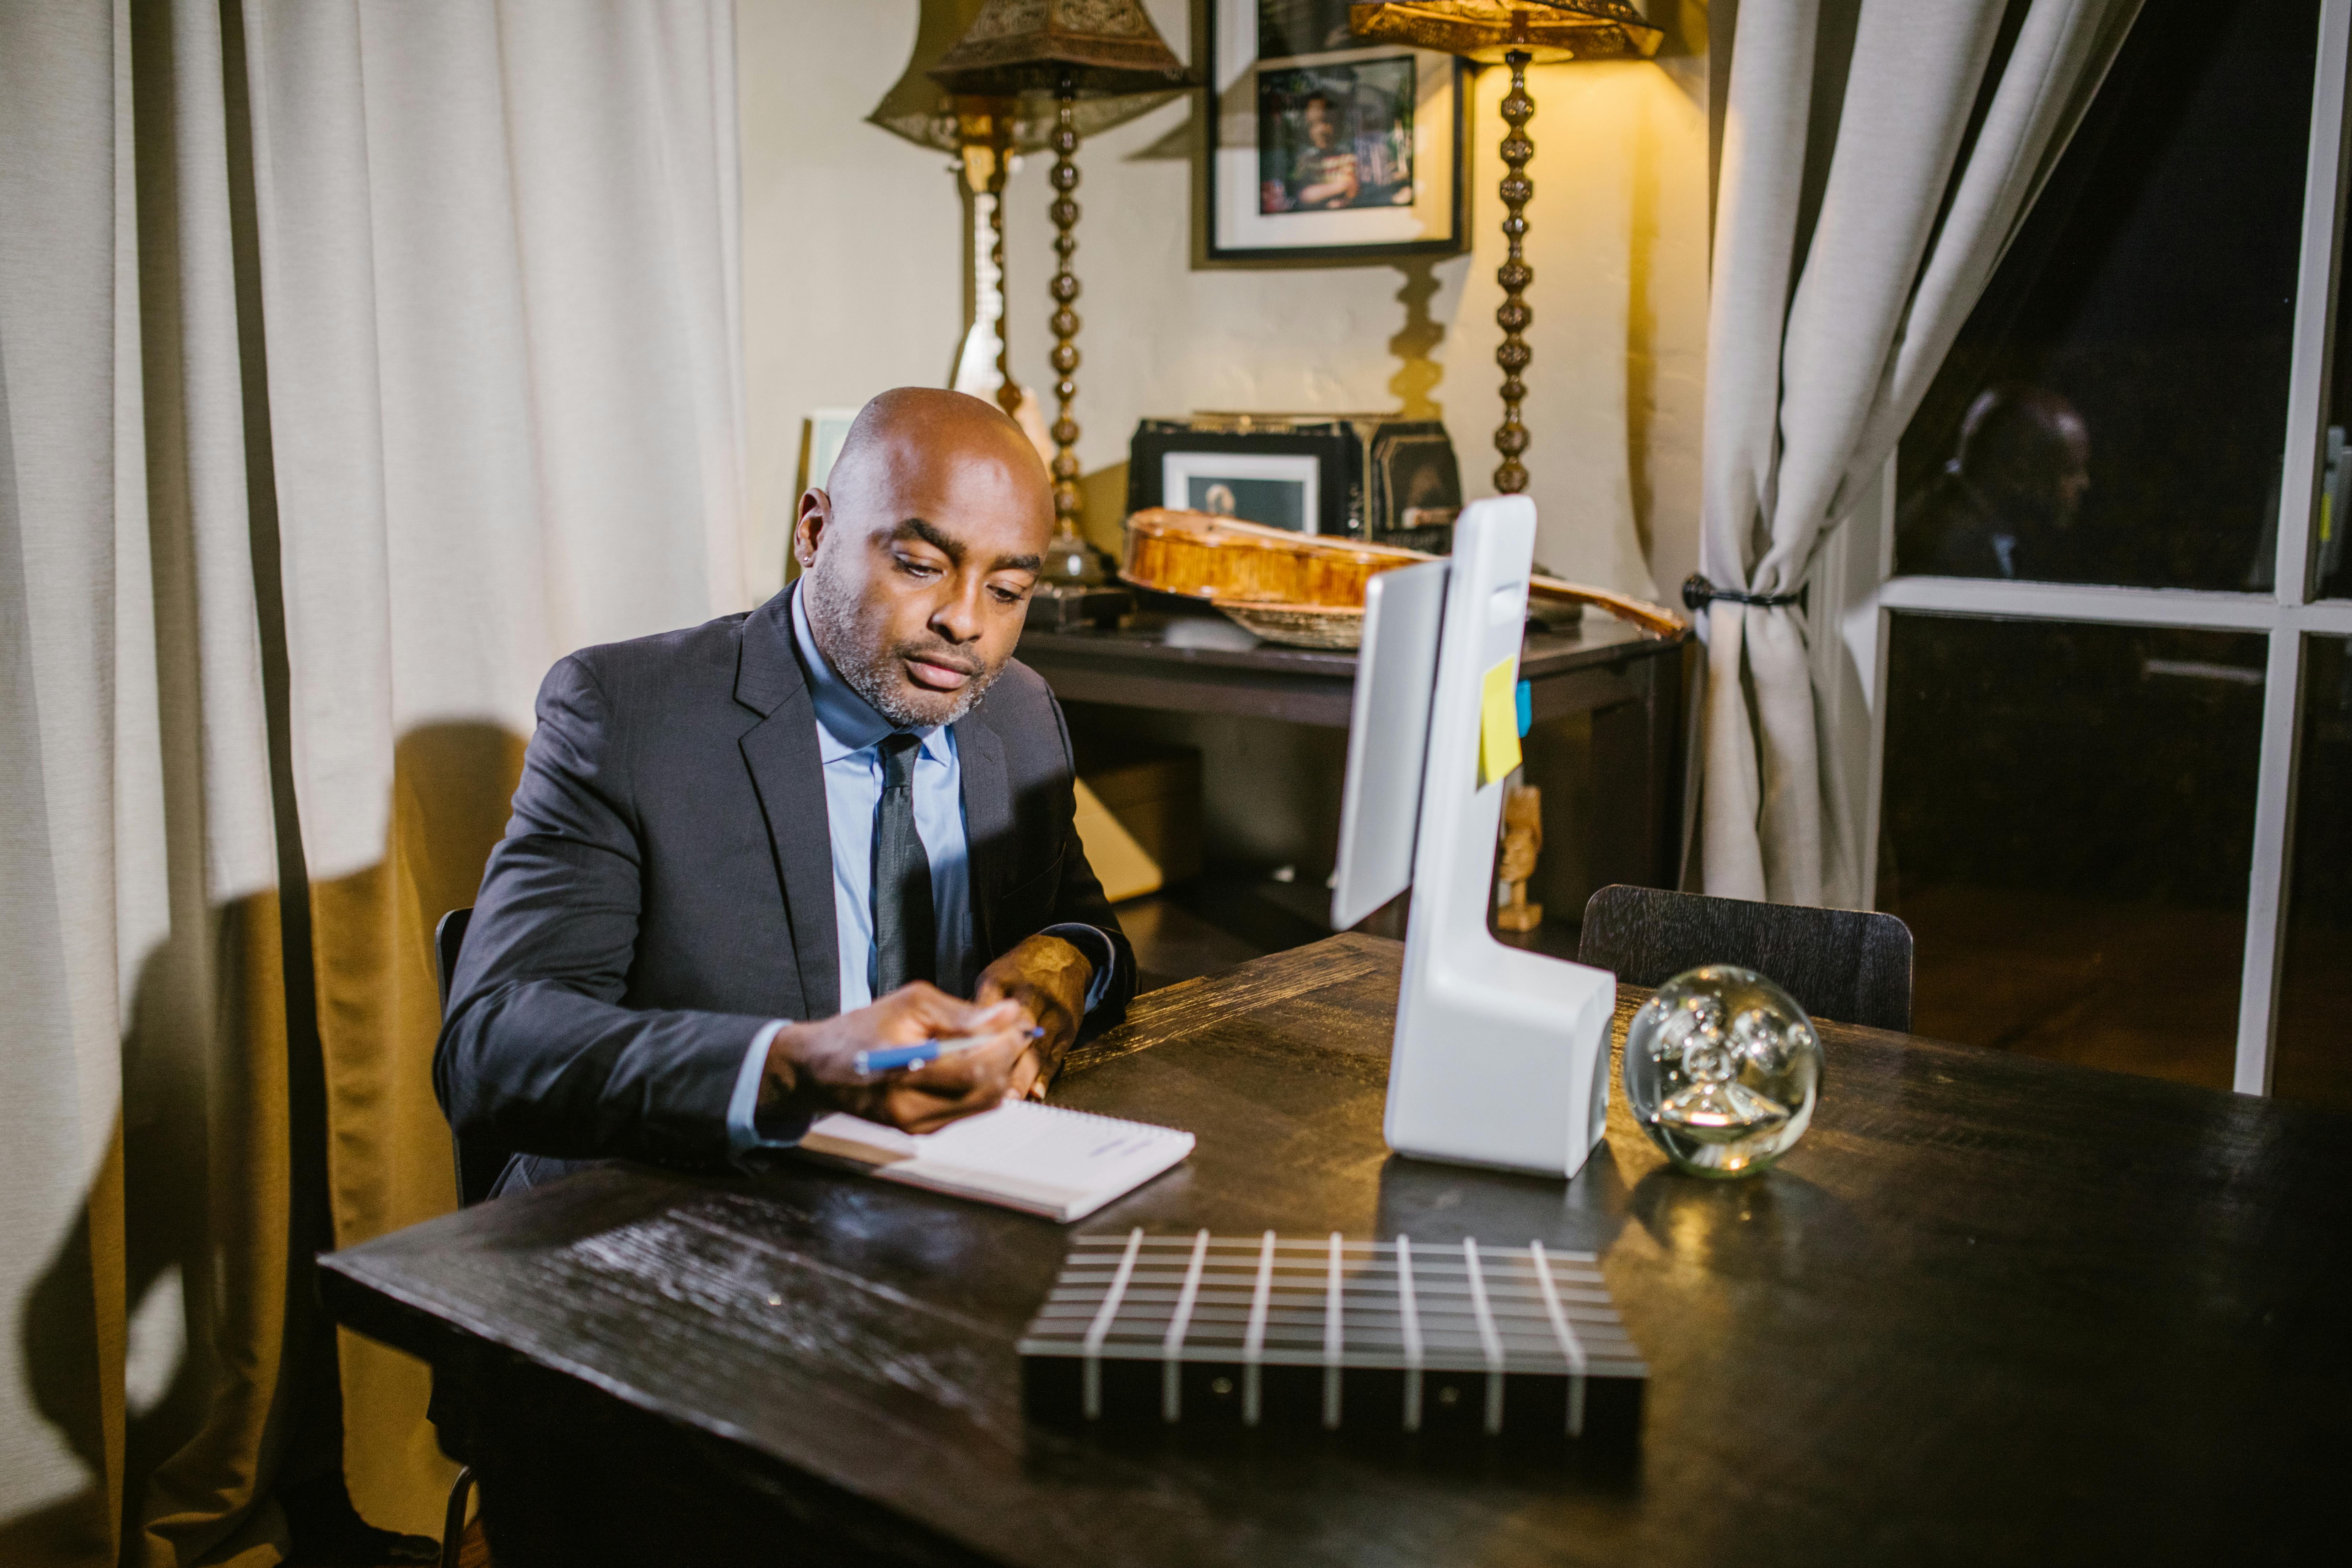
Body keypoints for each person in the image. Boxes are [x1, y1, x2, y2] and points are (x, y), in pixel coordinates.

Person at [436, 388, 1137, 1195]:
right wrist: (790, 1067)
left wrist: (1067, 959)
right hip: (669, 1206)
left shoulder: (1017, 713)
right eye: (918, 565)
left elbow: (1086, 927)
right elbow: (493, 1051)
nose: (964, 621)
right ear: (813, 531)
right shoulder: (626, 712)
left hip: (945, 1204)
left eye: (1008, 591)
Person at [1896, 384, 2091, 580]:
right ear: (2018, 472)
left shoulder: (1968, 523)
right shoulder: (1952, 547)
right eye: (2071, 471)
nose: (2085, 483)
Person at [1291, 92, 1360, 210]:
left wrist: (1324, 193)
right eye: (1314, 125)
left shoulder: (1348, 159)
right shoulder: (1306, 161)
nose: (1322, 130)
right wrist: (1340, 187)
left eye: (1326, 122)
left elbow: (1351, 190)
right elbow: (1304, 195)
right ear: (1308, 130)